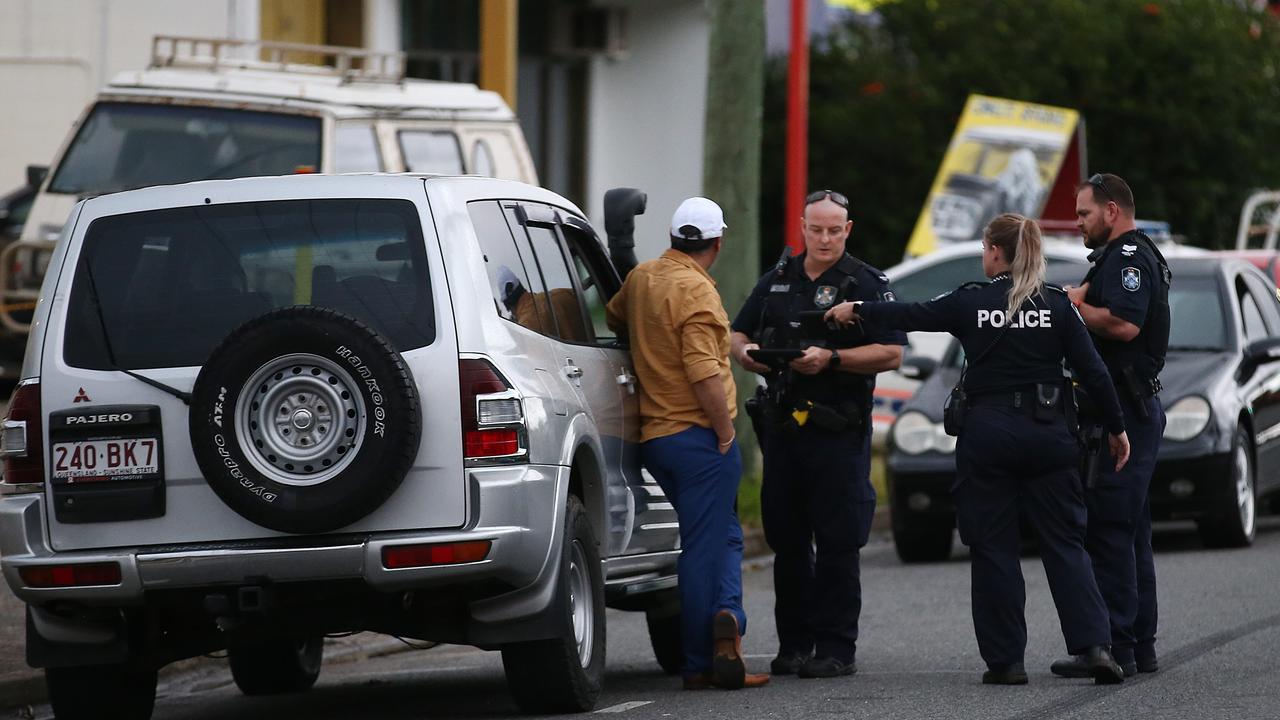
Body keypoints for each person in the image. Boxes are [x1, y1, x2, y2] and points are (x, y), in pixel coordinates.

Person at [825, 213, 1130, 685]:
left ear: (993, 251)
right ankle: (1095, 647)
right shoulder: (1056, 304)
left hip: (988, 438)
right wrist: (1117, 428)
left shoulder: (971, 302)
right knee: (1066, 543)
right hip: (1049, 436)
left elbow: (911, 312)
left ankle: (1006, 661)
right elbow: (1094, 372)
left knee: (993, 547)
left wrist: (858, 309)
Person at [730, 190, 905, 679]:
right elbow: (737, 333)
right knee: (787, 541)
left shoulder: (866, 283)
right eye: (816, 229)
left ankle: (835, 648)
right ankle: (793, 644)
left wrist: (832, 359)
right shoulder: (778, 280)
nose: (824, 238)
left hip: (838, 433)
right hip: (785, 431)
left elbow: (891, 353)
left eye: (834, 230)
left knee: (837, 543)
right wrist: (746, 355)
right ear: (802, 227)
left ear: (848, 230)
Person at [605, 197, 768, 691]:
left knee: (723, 535)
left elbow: (616, 320)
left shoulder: (643, 279)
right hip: (699, 438)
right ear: (717, 243)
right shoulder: (698, 293)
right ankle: (701, 658)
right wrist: (723, 431)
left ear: (675, 237)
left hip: (656, 439)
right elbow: (703, 371)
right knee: (703, 545)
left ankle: (728, 624)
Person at [1051, 173, 1170, 679]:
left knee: (1111, 529)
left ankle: (1116, 646)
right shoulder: (1119, 259)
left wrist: (1073, 303)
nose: (1079, 223)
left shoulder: (1126, 259)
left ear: (1112, 211)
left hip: (1126, 411)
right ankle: (1138, 644)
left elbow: (1124, 324)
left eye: (1084, 214)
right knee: (1131, 530)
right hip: (1123, 408)